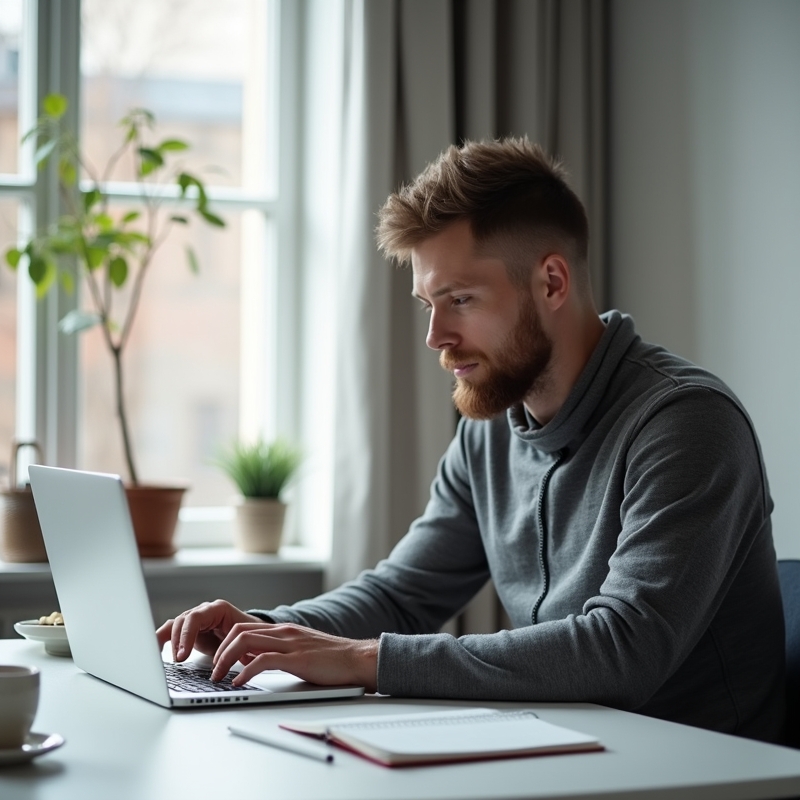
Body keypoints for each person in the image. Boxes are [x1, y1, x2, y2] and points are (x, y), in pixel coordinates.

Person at [156, 137, 785, 743]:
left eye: (460, 299)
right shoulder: (489, 432)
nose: (435, 335)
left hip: (700, 771)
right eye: (427, 303)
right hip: (562, 750)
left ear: (552, 282)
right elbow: (402, 595)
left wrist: (361, 659)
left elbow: (623, 650)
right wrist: (263, 631)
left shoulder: (686, 422)